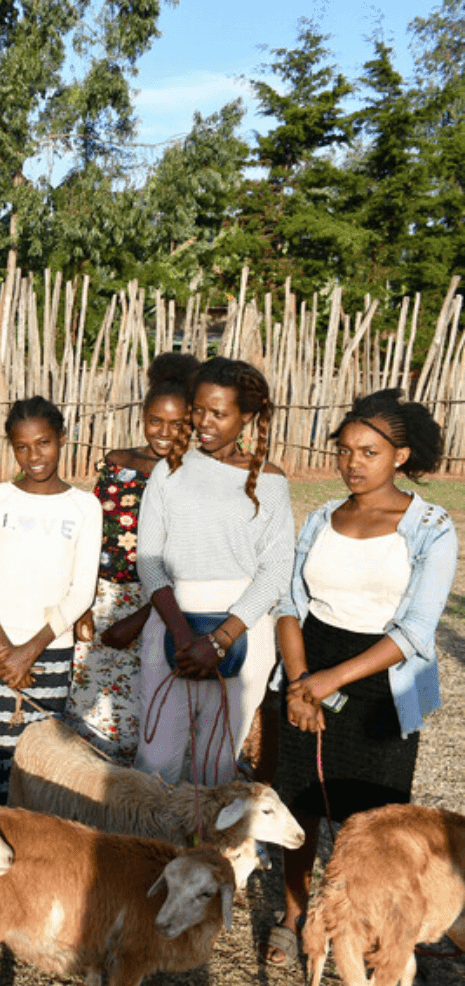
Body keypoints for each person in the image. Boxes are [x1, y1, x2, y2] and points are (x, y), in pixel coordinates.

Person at [264, 390, 457, 967]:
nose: (352, 463)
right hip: (308, 663)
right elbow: (291, 602)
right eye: (344, 450)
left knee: (373, 821)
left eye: (369, 452)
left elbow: (417, 629)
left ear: (401, 456)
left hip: (381, 686)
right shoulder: (323, 517)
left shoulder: (430, 526)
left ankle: (371, 927)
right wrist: (300, 681)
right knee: (298, 803)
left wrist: (328, 682)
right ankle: (295, 914)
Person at [134, 357, 294, 786]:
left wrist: (220, 641)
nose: (204, 422)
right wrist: (184, 636)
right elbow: (148, 560)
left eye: (219, 413)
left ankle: (207, 854)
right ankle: (152, 852)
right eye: (198, 409)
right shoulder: (168, 471)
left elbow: (276, 570)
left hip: (243, 631)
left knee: (217, 765)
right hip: (171, 622)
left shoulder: (272, 482)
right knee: (155, 763)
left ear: (247, 416)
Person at [0, 397, 100, 806]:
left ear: (62, 440)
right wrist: (5, 649)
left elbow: (80, 592)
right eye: (22, 447)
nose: (34, 456)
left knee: (36, 776)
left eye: (44, 443)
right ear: (11, 447)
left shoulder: (84, 507)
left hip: (48, 657)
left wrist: (29, 652)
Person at [68, 352, 197, 762]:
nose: (165, 433)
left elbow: (188, 559)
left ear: (192, 423)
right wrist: (81, 605)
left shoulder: (192, 477)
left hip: (159, 606)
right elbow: (93, 537)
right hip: (103, 599)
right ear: (142, 416)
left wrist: (141, 620)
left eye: (178, 425)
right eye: (156, 421)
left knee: (147, 715)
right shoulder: (117, 463)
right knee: (87, 708)